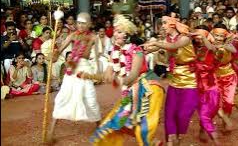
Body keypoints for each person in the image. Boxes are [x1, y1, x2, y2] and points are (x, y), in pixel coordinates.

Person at [80, 14, 165, 146]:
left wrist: (119, 80)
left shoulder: (137, 51)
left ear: (127, 35)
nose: (115, 34)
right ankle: (154, 143)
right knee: (112, 124)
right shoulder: (113, 52)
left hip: (150, 89)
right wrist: (89, 76)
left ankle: (151, 141)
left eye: (119, 32)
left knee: (143, 129)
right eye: (115, 31)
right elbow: (107, 76)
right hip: (131, 90)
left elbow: (132, 76)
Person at [144, 16, 198, 146]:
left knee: (183, 114)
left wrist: (156, 43)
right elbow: (155, 48)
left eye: (164, 23)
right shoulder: (167, 39)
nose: (162, 26)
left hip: (190, 80)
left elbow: (173, 46)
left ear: (173, 25)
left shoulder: (184, 38)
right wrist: (142, 49)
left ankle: (179, 137)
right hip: (174, 79)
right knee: (169, 112)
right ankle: (170, 140)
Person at [48, 12, 101, 142]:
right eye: (79, 22)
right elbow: (58, 52)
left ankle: (100, 128)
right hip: (71, 70)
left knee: (90, 98)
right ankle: (50, 133)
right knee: (62, 98)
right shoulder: (72, 36)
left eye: (84, 23)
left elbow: (98, 58)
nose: (81, 25)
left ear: (89, 24)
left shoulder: (94, 38)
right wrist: (53, 55)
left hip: (85, 70)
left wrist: (98, 73)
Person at [190, 25, 220, 145]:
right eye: (196, 36)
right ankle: (216, 141)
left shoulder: (212, 47)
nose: (198, 38)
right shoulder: (192, 48)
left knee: (209, 112)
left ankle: (203, 129)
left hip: (211, 85)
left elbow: (211, 48)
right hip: (196, 86)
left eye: (200, 35)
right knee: (203, 113)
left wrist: (203, 36)